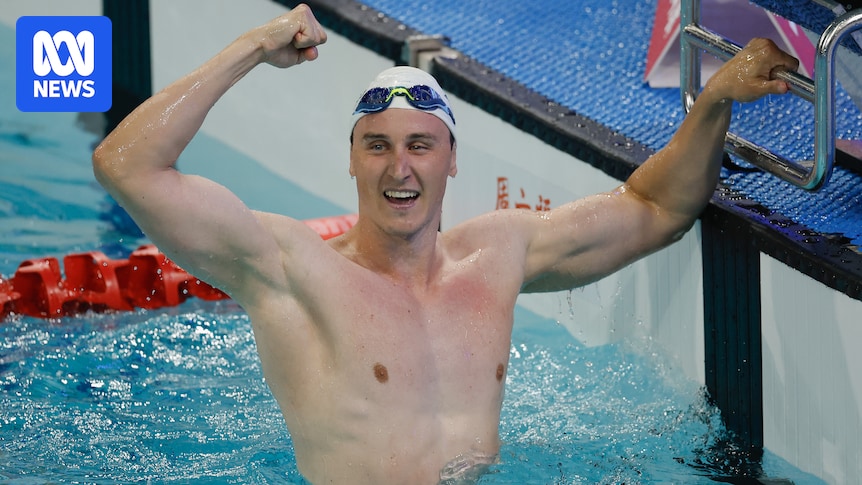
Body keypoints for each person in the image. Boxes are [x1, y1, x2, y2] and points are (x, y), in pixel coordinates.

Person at [92, 4, 799, 484]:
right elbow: (126, 165)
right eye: (378, 146)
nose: (400, 168)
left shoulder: (497, 256)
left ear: (452, 160)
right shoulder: (288, 269)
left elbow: (656, 206)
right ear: (350, 160)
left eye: (420, 146)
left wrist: (716, 98)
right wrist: (251, 46)